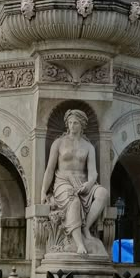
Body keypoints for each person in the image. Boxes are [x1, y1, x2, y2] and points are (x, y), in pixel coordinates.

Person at [41, 109, 108, 255]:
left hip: (83, 183)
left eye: (75, 123)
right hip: (63, 182)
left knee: (102, 193)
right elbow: (50, 169)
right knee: (74, 201)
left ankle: (86, 227)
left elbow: (93, 172)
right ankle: (79, 244)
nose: (72, 126)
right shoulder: (58, 143)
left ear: (82, 124)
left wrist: (89, 184)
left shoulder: (88, 146)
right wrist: (43, 192)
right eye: (70, 123)